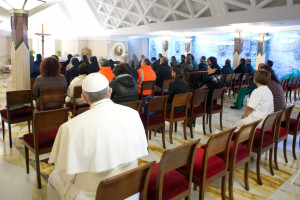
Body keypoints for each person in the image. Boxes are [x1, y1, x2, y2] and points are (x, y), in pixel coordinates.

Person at [47, 73, 148, 200]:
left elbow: (65, 175)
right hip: (130, 191)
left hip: (91, 196)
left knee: (53, 177)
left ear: (84, 98)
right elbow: (142, 152)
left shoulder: (70, 127)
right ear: (110, 91)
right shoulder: (133, 114)